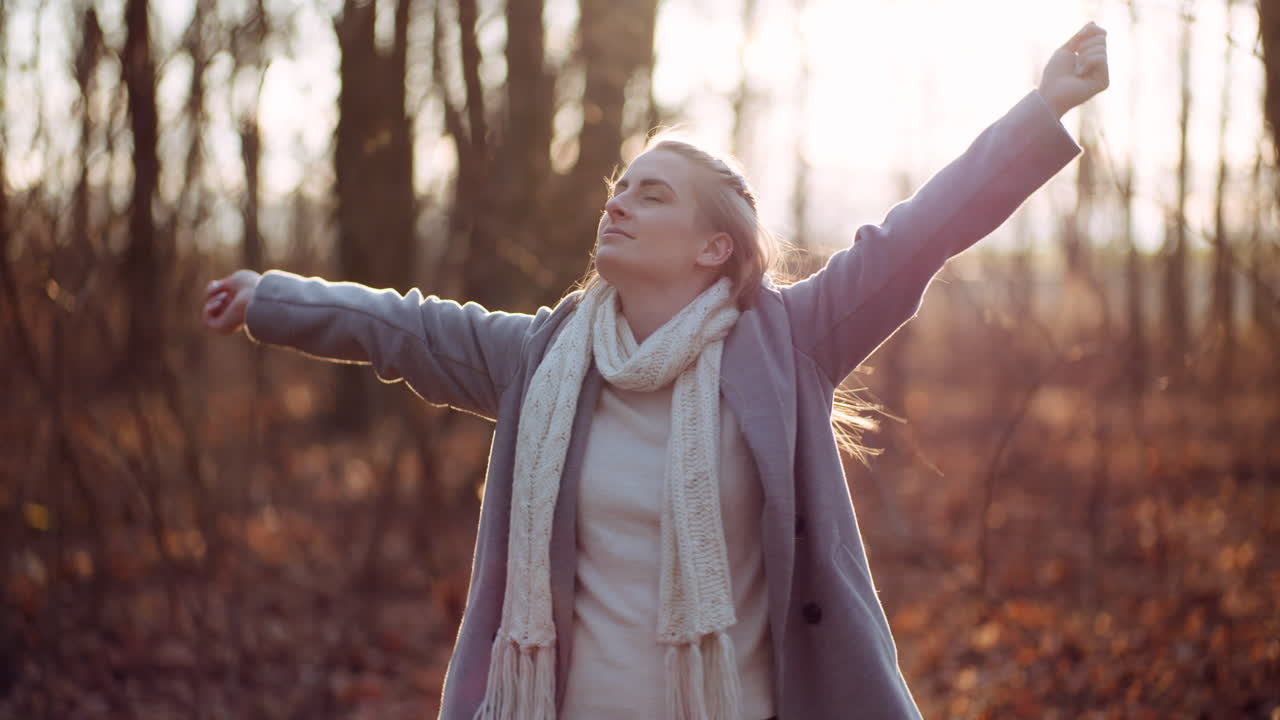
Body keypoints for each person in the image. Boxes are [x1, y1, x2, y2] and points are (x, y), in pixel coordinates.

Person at [203, 22, 1109, 720]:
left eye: (652, 193)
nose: (618, 204)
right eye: (619, 188)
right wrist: (269, 297)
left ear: (715, 247)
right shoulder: (545, 358)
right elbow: (406, 328)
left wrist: (1043, 109)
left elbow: (918, 235)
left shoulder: (787, 343)